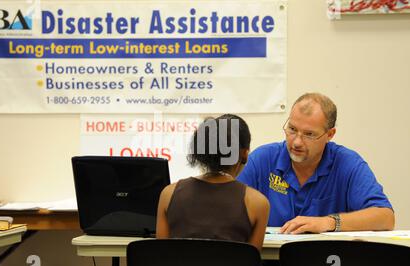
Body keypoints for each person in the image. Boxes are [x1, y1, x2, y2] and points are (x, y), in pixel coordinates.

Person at [238, 93, 395, 235]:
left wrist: (328, 222)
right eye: (292, 129)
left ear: (329, 134)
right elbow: (229, 206)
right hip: (269, 262)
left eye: (309, 134)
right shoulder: (263, 159)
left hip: (327, 262)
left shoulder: (348, 164)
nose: (297, 142)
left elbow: (385, 217)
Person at [156, 114, 270, 251]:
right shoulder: (257, 203)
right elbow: (251, 264)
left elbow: (161, 256)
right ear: (245, 154)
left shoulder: (168, 194)